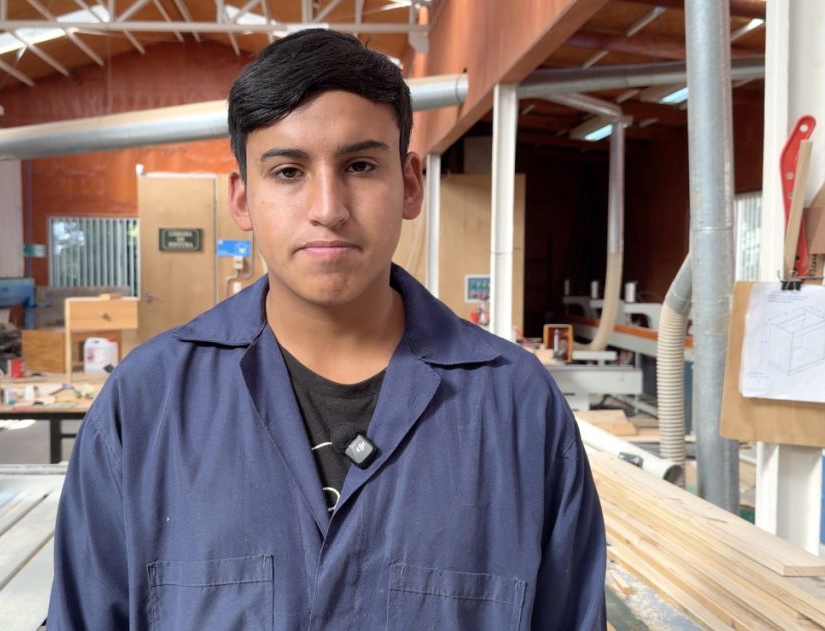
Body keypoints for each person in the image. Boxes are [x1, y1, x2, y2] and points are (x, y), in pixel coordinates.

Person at [49, 29, 606, 630]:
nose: (327, 208)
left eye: (360, 166)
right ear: (243, 198)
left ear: (410, 184)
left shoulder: (518, 406)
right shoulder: (145, 405)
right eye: (288, 171)